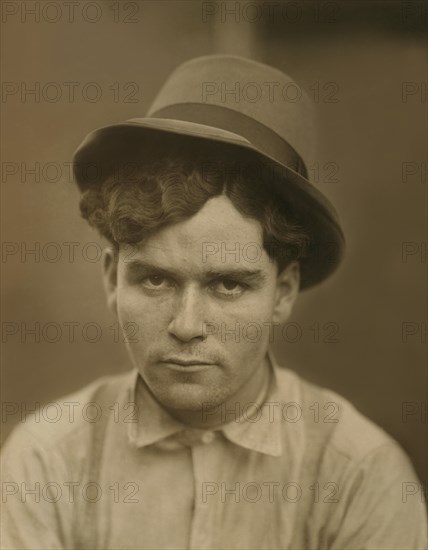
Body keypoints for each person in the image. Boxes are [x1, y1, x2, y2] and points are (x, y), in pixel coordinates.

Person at [1, 55, 426, 550]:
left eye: (228, 285)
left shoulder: (359, 474)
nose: (186, 326)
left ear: (282, 292)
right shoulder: (45, 461)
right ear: (114, 278)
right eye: (156, 281)